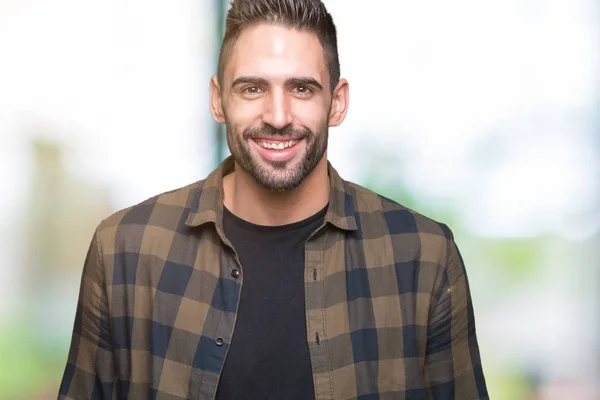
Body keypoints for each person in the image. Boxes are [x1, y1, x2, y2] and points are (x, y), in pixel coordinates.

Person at [58, 0, 488, 398]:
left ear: (337, 103)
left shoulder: (423, 257)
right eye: (252, 89)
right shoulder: (125, 251)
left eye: (301, 89)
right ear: (217, 99)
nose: (278, 117)